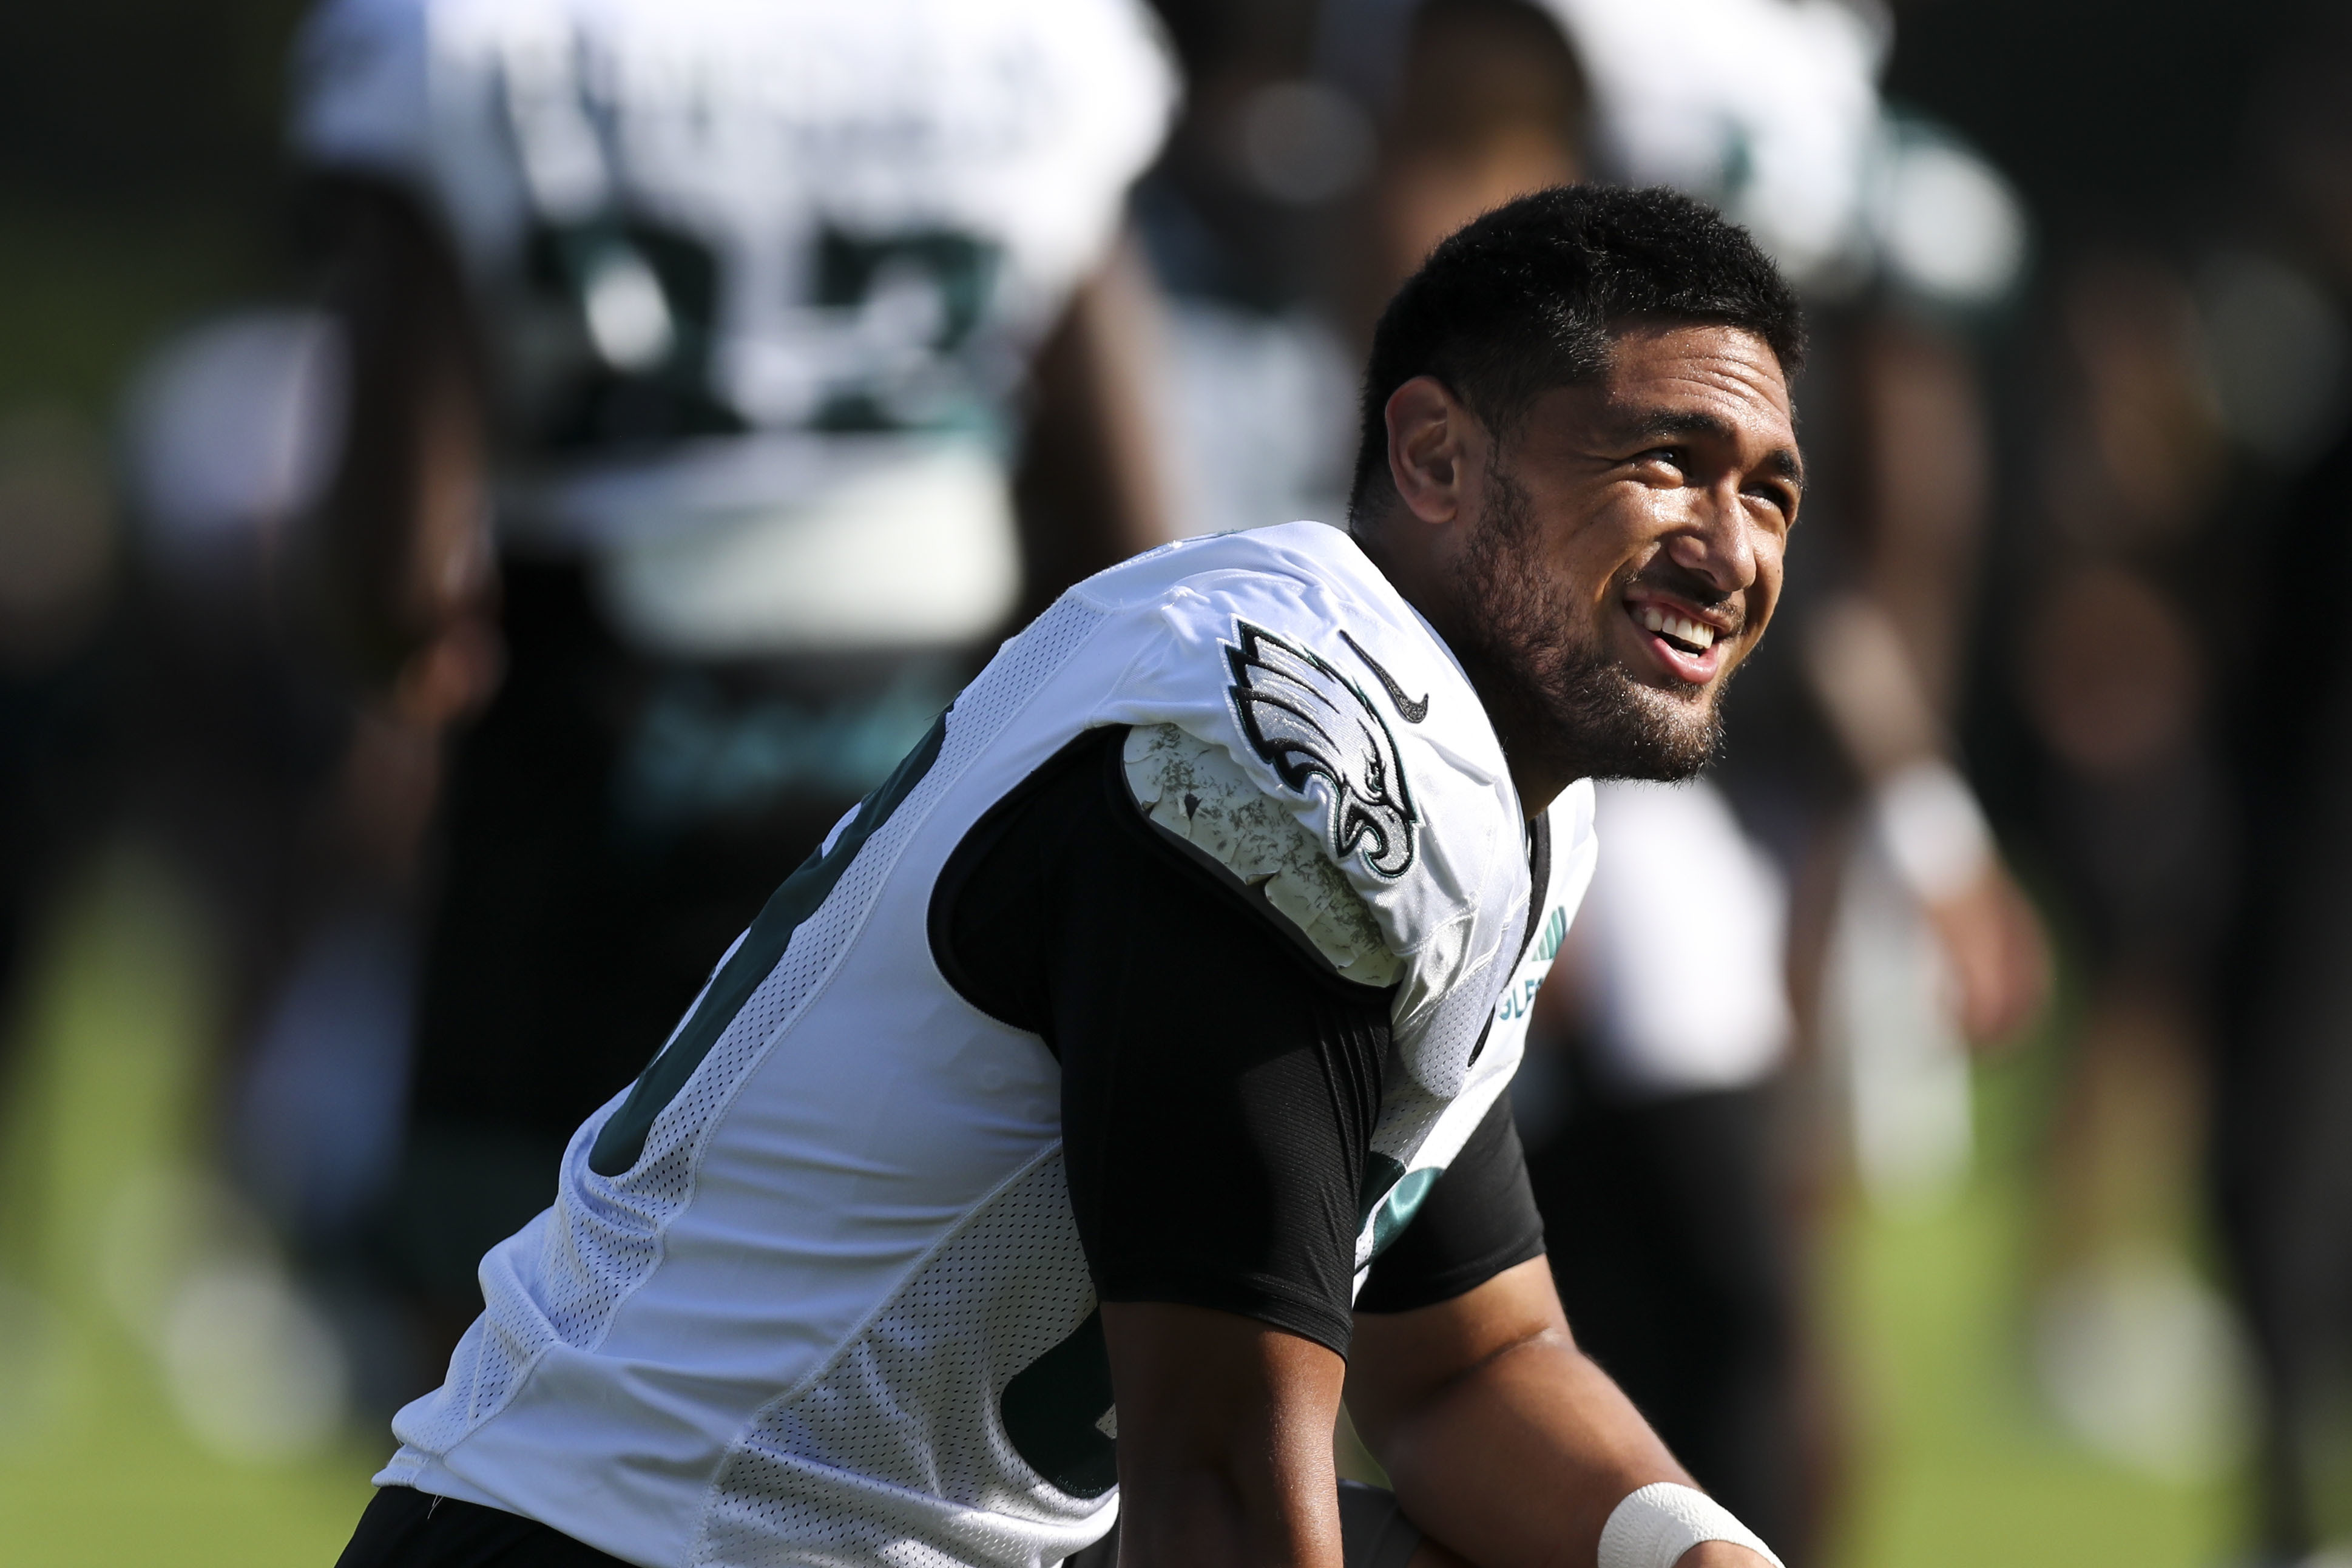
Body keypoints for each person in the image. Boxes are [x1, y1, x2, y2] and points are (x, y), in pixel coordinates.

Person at [333, 184, 1805, 1568]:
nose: (1729, 549)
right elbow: (1216, 1487)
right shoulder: (1293, 749)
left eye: (1772, 494)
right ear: (1432, 455)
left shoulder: (1488, 786)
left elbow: (1472, 1367)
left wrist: (1694, 1548)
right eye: (1664, 461)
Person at [285, 0, 1180, 1353]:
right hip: (936, 733)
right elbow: (1128, 531)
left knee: (504, 1326)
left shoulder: (467, 38)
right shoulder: (1031, 38)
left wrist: (395, 644)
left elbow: (393, 582)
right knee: (888, 1322)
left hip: (591, 747)